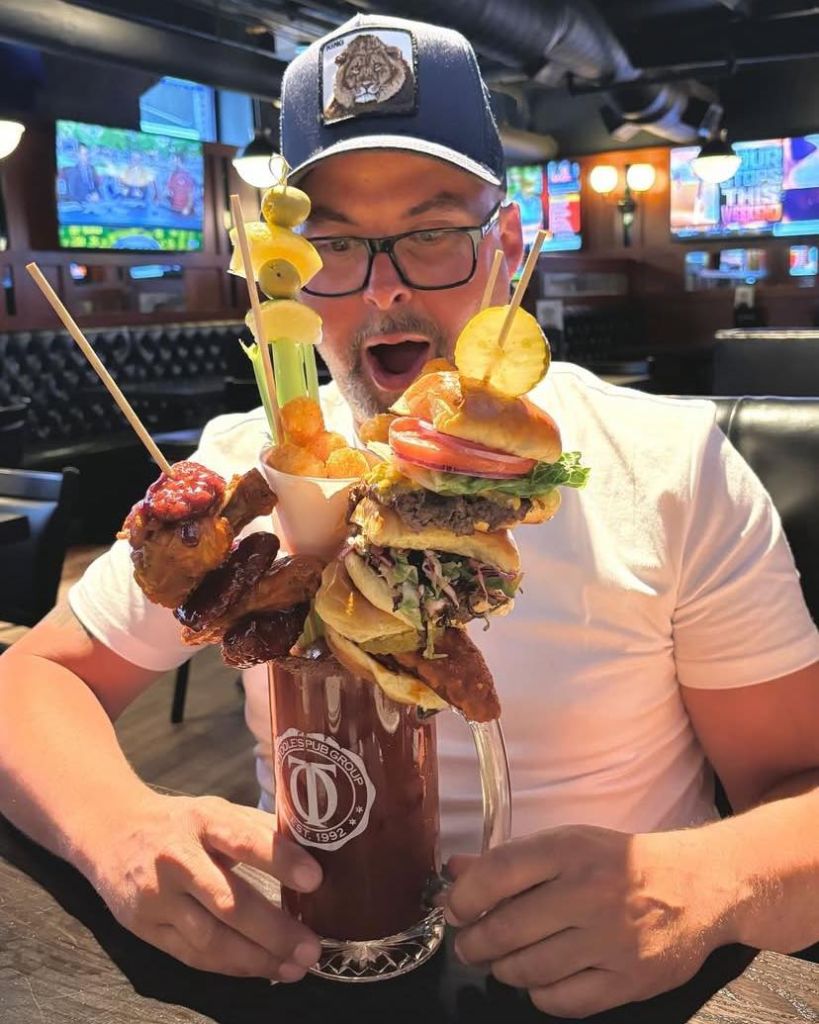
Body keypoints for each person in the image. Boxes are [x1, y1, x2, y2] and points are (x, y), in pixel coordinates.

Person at [1, 13, 817, 1015]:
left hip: (610, 995)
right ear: (289, 271)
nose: (384, 288)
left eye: (432, 234)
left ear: (504, 247)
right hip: (311, 964)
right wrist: (118, 829)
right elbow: (30, 681)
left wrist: (708, 884)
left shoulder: (667, 466)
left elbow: (801, 787)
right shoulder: (247, 470)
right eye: (335, 244)